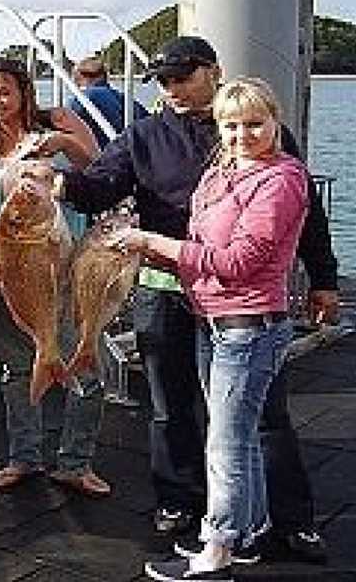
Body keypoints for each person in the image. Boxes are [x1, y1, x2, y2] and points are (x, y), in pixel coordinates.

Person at [58, 36, 339, 563]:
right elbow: (96, 187)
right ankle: (179, 502)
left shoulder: (264, 141)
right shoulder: (143, 135)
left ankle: (291, 519)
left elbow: (309, 221)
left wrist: (324, 276)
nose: (172, 89)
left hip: (238, 300)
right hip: (165, 290)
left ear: (214, 71)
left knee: (262, 416)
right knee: (169, 407)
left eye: (183, 76)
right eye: (163, 80)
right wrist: (54, 181)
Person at [114, 77, 309, 581]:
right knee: (239, 438)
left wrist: (152, 243)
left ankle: (216, 549)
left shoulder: (282, 179)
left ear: (275, 122)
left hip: (249, 327)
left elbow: (239, 261)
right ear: (218, 127)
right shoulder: (223, 170)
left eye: (254, 124)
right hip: (213, 320)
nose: (243, 135)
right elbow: (202, 233)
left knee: (224, 445)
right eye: (231, 125)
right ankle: (250, 533)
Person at [0, 57, 106, 495]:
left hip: (62, 260)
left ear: (23, 92)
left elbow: (98, 167)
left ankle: (76, 461)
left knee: (85, 369)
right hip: (7, 263)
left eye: (3, 92)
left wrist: (62, 143)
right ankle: (24, 457)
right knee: (16, 368)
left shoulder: (57, 121)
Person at [69, 56, 149, 149]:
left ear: (80, 76)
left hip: (108, 155)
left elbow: (65, 120)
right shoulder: (125, 99)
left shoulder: (84, 99)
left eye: (75, 77)